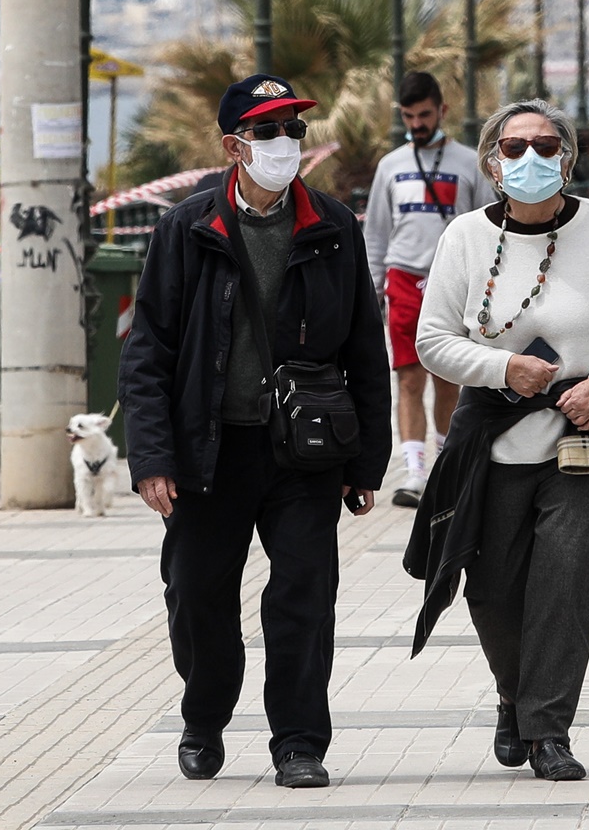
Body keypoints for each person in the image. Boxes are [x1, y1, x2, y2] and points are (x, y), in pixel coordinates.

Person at [120, 73, 392, 790]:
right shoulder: (188, 227)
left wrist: (366, 463)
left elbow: (365, 348)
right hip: (209, 452)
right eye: (268, 131)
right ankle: (204, 717)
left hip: (301, 454)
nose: (284, 144)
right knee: (197, 597)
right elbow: (148, 348)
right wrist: (151, 456)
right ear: (232, 145)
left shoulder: (332, 225)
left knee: (304, 596)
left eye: (294, 130)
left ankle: (299, 743)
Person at [406, 98, 589, 782]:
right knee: (491, 589)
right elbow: (431, 341)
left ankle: (549, 730)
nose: (531, 159)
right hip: (492, 440)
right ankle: (515, 695)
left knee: (566, 579)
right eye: (515, 148)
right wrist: (503, 368)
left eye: (546, 146)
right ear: (492, 163)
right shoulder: (463, 238)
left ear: (568, 159)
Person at [364, 72, 489, 508]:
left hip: (452, 282)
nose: (416, 123)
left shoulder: (469, 162)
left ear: (442, 111)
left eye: (424, 114)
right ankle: (414, 474)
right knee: (409, 377)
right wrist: (372, 289)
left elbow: (488, 227)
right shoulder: (391, 166)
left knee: (449, 377)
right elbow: (376, 234)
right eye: (408, 116)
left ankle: (444, 467)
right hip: (403, 279)